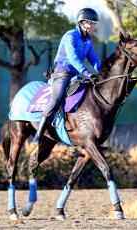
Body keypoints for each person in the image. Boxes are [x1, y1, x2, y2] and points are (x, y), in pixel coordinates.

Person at [32, 8, 101, 146]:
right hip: (62, 73)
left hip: (77, 74)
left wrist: (102, 71)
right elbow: (74, 58)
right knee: (56, 99)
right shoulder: (70, 37)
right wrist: (87, 73)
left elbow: (94, 58)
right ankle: (39, 134)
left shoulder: (88, 40)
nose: (94, 26)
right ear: (84, 23)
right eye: (93, 23)